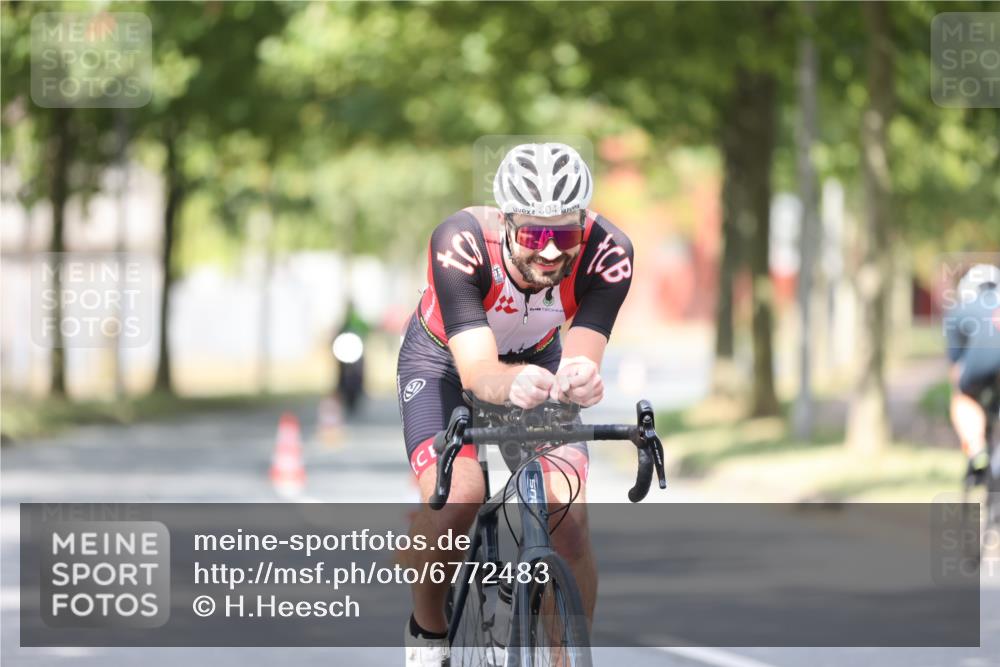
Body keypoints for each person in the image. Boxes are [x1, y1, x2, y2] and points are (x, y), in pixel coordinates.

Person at [396, 143, 633, 665]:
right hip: (443, 362)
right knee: (460, 495)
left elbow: (582, 354)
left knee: (567, 515)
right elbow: (478, 373)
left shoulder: (609, 252)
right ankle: (427, 633)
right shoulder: (459, 242)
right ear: (506, 222)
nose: (551, 253)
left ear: (584, 225)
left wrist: (581, 379)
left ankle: (562, 657)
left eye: (564, 234)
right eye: (534, 234)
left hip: (538, 360)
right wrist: (512, 385)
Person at [945, 263, 1000, 481]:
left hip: (981, 368)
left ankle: (976, 450)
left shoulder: (960, 310)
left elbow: (956, 364)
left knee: (962, 397)